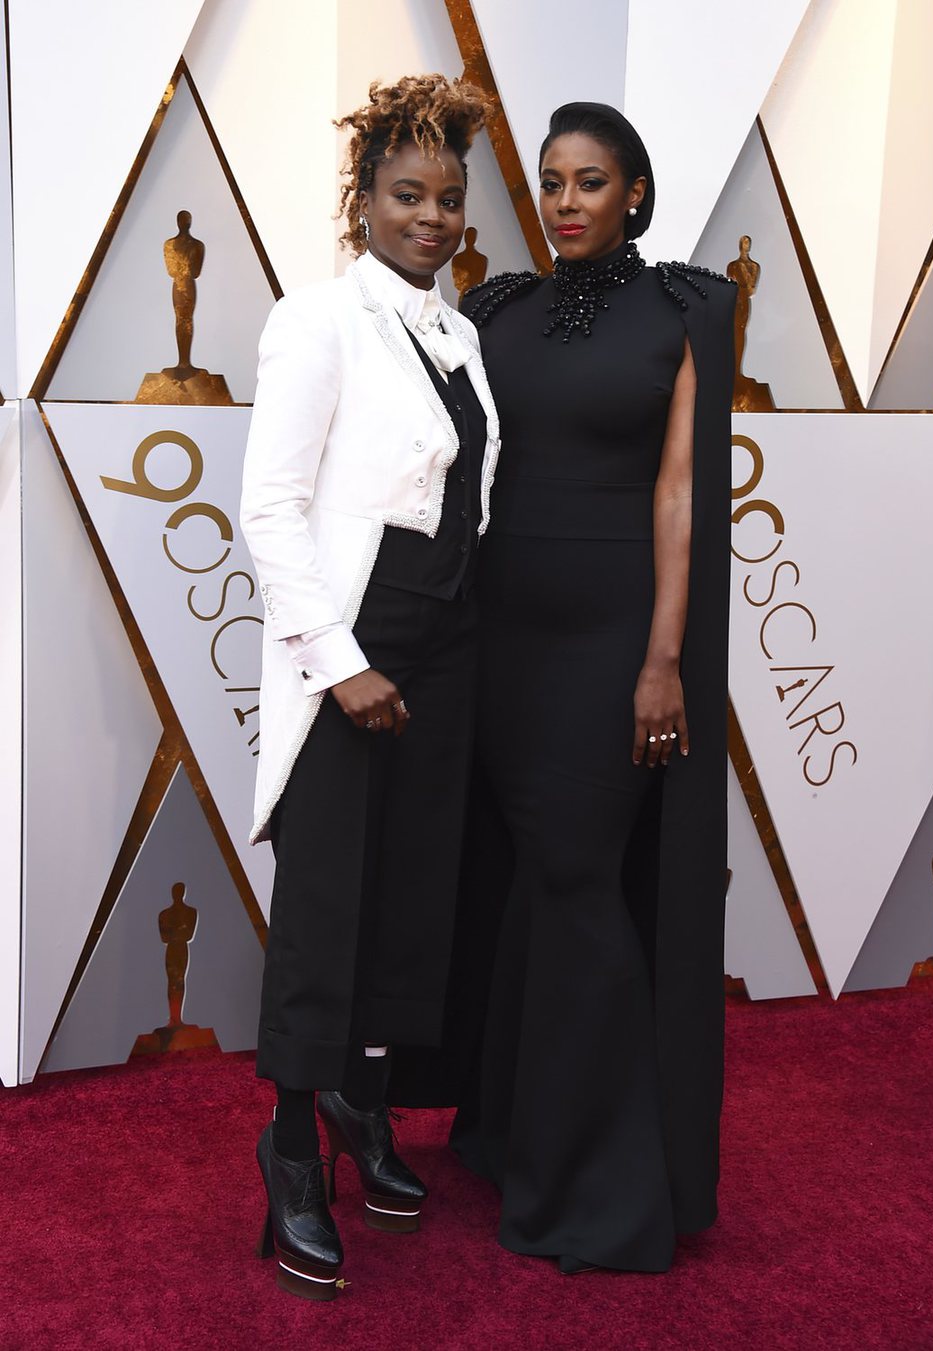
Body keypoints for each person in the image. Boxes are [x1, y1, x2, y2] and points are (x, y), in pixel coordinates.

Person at [455, 102, 735, 1275]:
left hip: (613, 637)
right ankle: (518, 1131)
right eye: (554, 183)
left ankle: (609, 1189)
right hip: (497, 639)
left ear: (636, 192)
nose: (568, 202)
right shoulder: (495, 309)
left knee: (579, 878)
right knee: (527, 879)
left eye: (592, 182)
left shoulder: (686, 309)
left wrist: (662, 658)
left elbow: (681, 497)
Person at [239, 73, 495, 1301]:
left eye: (448, 196)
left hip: (447, 645)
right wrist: (343, 667)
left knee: (411, 906)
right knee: (330, 909)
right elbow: (270, 511)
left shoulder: (461, 333)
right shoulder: (317, 320)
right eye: (408, 194)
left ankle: (363, 1101)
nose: (432, 217)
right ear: (364, 201)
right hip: (356, 644)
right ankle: (293, 1153)